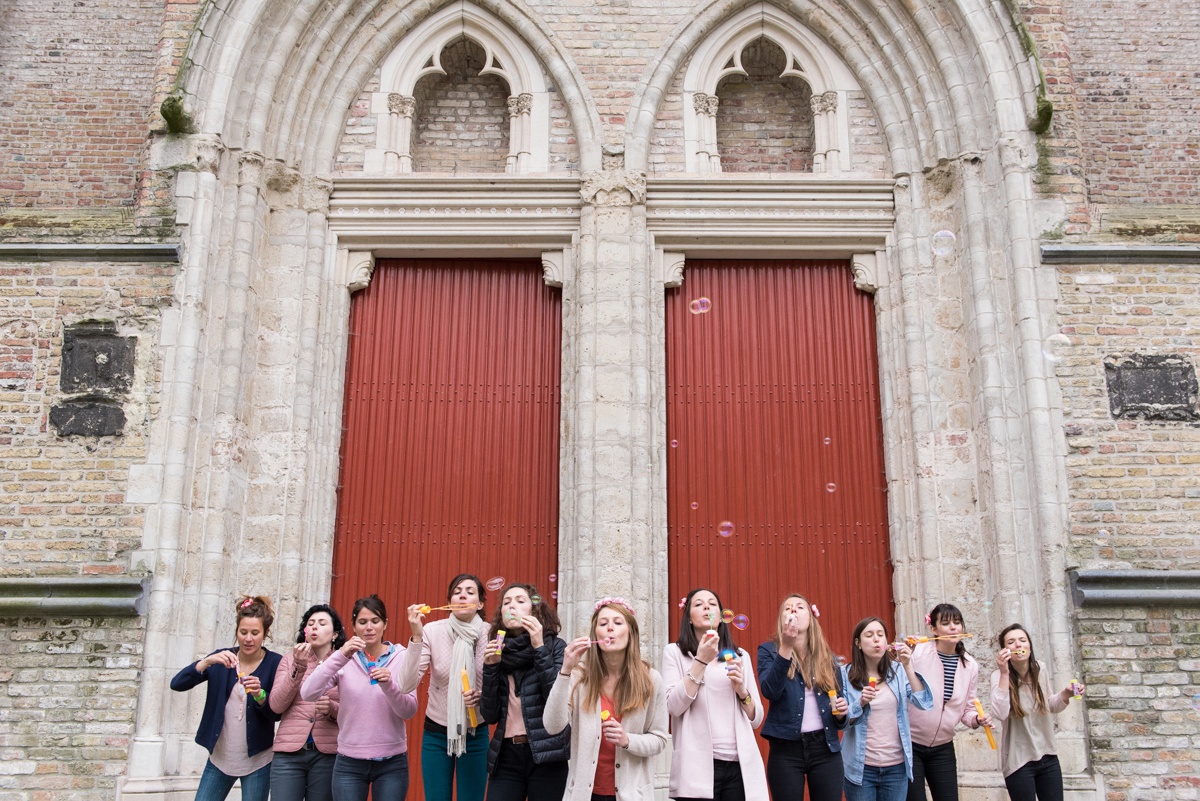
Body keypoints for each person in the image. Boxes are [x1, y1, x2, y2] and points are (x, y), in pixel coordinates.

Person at [545, 596, 668, 801]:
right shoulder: (578, 677)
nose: (610, 628)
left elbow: (660, 739)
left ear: (631, 633)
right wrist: (565, 670)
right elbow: (552, 725)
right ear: (595, 634)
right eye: (603, 623)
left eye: (618, 623)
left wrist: (627, 740)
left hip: (632, 795)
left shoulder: (651, 680)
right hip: (584, 795)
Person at [301, 594, 418, 801]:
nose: (369, 627)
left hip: (392, 762)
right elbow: (308, 692)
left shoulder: (401, 657)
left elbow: (408, 710)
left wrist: (388, 685)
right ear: (353, 627)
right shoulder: (344, 659)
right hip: (349, 763)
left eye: (375, 621)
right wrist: (340, 655)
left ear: (385, 624)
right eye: (362, 622)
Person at [170, 595, 282, 801]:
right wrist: (206, 661)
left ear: (265, 634)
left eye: (255, 633)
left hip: (258, 760)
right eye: (243, 632)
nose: (248, 638)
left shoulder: (276, 663)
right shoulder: (221, 659)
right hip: (219, 759)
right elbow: (177, 684)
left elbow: (276, 713)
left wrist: (260, 695)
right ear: (237, 632)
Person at [661, 588, 767, 801]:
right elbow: (673, 706)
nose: (706, 607)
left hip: (738, 766)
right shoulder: (675, 652)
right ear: (689, 619)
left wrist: (741, 690)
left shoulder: (739, 656)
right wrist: (700, 662)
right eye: (698, 604)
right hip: (696, 766)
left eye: (712, 604)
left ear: (721, 618)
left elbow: (756, 718)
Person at [399, 574, 490, 801]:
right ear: (449, 600)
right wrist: (417, 635)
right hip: (436, 733)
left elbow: (501, 684)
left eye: (470, 591)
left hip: (476, 732)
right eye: (457, 591)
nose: (462, 595)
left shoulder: (492, 633)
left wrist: (483, 696)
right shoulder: (432, 630)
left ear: (480, 603)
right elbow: (406, 684)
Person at [480, 582, 570, 801]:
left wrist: (539, 648)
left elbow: (556, 700)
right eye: (506, 602)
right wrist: (491, 668)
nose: (512, 606)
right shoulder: (497, 650)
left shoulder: (555, 647)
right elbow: (490, 716)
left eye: (521, 601)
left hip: (547, 755)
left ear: (534, 610)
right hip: (506, 756)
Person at [757, 594, 849, 801]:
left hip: (825, 748)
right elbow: (770, 691)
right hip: (785, 750)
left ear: (811, 618)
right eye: (787, 609)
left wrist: (842, 714)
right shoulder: (768, 651)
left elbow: (839, 718)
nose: (793, 611)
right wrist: (786, 648)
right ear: (781, 620)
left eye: (800, 607)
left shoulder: (827, 657)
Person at [842, 617, 933, 801]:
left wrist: (908, 666)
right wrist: (860, 703)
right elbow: (842, 722)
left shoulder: (898, 671)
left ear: (886, 642)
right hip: (861, 769)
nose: (876, 639)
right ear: (858, 643)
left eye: (880, 635)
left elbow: (923, 702)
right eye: (869, 635)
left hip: (896, 768)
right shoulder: (845, 674)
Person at [907, 603, 992, 801]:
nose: (953, 627)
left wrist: (977, 720)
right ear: (934, 629)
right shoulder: (917, 653)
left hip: (943, 746)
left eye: (957, 623)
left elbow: (968, 710)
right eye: (946, 623)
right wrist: (904, 655)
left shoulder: (970, 665)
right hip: (911, 744)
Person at [990, 624, 1081, 801]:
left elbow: (1050, 706)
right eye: (1011, 642)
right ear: (1005, 650)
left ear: (1029, 646)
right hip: (1018, 762)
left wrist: (1066, 694)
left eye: (1022, 640)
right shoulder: (999, 676)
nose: (1018, 645)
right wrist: (1003, 673)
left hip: (1048, 755)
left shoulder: (1041, 669)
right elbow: (1000, 712)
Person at [268, 603, 347, 801]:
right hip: (289, 754)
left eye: (322, 623)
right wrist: (298, 666)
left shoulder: (346, 663)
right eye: (310, 623)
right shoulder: (289, 660)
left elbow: (356, 712)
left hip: (327, 754)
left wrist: (332, 709)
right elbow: (276, 705)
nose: (315, 627)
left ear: (335, 634)